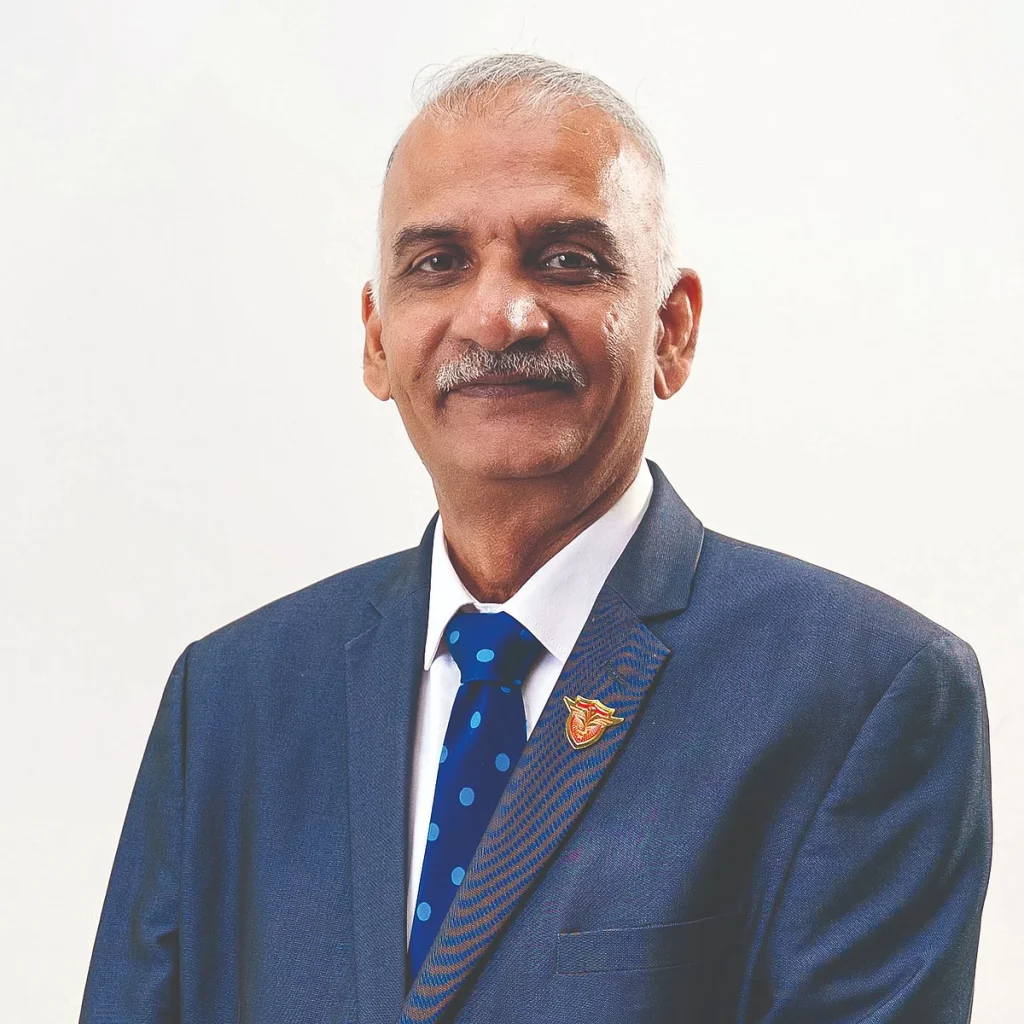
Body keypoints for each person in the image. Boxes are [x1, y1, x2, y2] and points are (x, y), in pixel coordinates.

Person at [79, 53, 992, 1024]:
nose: (500, 315)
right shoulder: (229, 701)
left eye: (568, 260)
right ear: (377, 340)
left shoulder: (865, 693)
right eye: (438, 262)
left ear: (672, 330)